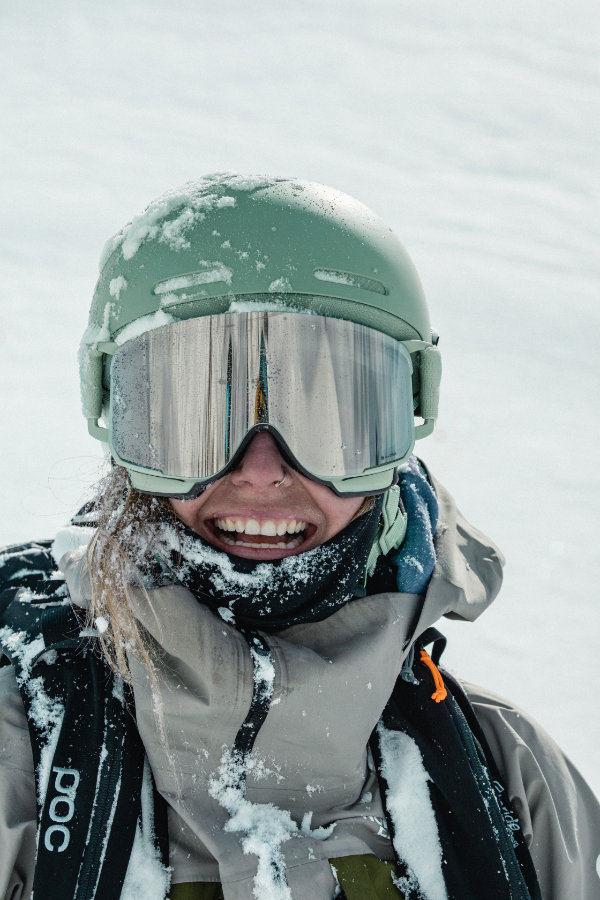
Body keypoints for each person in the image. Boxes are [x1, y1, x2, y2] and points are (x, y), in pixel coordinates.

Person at [0, 175, 598, 900]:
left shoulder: (509, 780)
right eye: (191, 418)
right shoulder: (21, 754)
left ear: (406, 416)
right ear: (116, 420)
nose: (260, 470)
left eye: (328, 414)